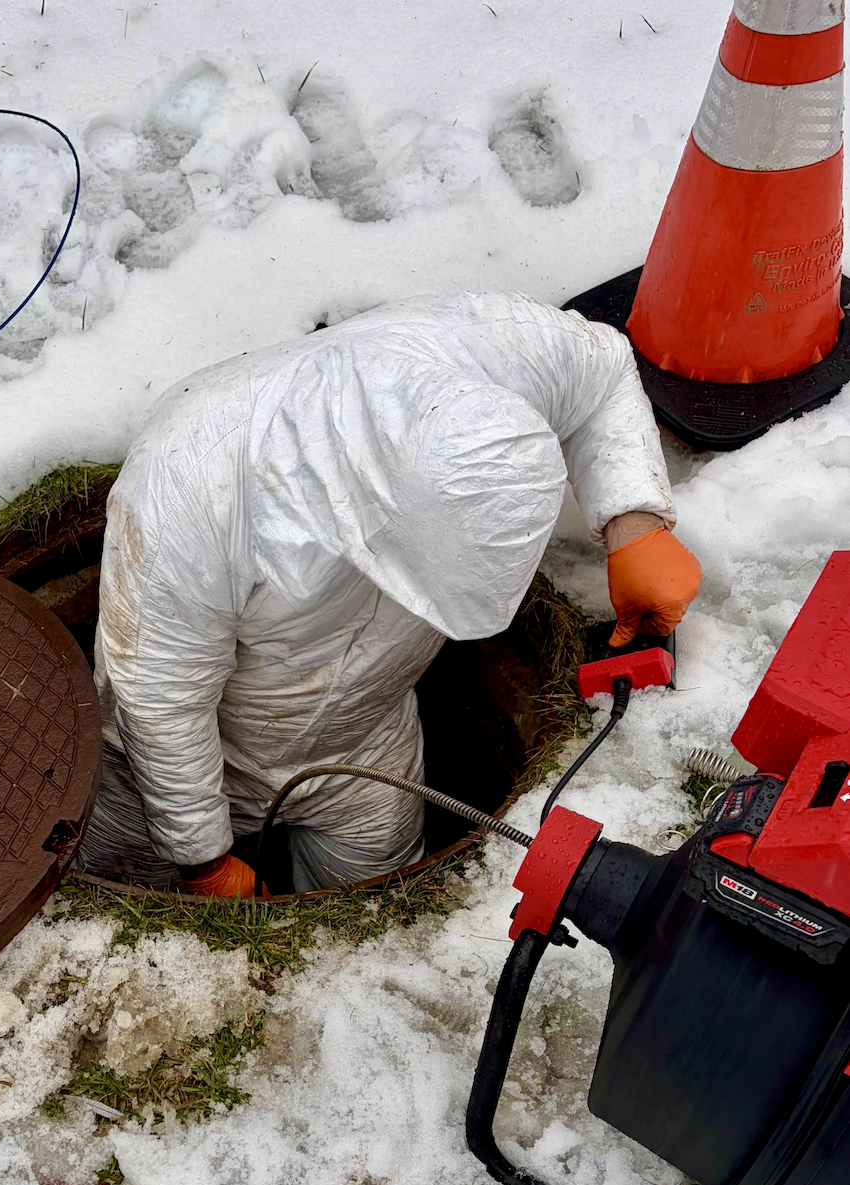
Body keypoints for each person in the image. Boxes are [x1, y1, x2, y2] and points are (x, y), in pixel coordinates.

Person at [77, 291, 701, 896]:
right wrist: (200, 857)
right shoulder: (192, 482)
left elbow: (604, 370)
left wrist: (635, 521)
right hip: (186, 757)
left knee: (371, 904)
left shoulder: (494, 347)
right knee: (124, 892)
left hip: (365, 742)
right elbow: (161, 699)